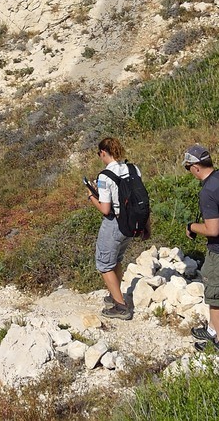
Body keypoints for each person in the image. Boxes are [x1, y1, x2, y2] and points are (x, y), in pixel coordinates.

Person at [183, 143, 219, 354]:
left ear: (195, 167)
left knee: (216, 299)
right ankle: (211, 330)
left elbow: (213, 229)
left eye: (188, 168)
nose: (189, 172)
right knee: (210, 284)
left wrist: (191, 227)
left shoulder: (207, 192)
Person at [85, 136, 134, 319]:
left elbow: (106, 209)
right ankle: (116, 295)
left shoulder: (105, 176)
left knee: (105, 264)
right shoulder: (132, 168)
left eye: (99, 154)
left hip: (114, 223)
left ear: (103, 153)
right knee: (117, 258)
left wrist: (91, 196)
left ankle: (121, 306)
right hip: (131, 222)